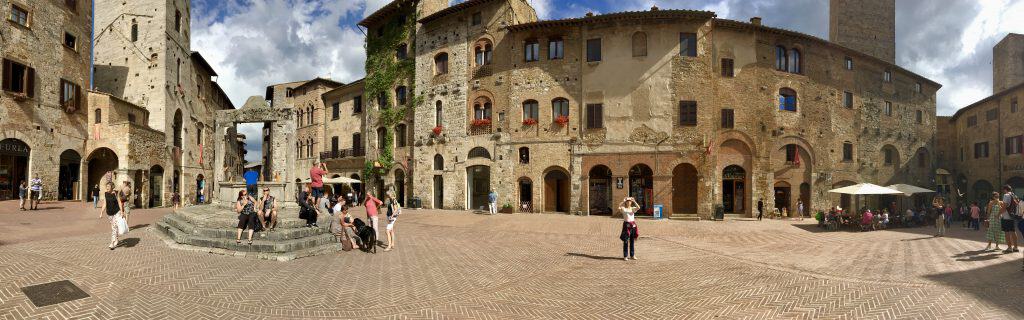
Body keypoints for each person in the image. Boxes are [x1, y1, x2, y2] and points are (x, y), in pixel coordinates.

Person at [98, 182, 124, 250]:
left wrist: (122, 211)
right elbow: (105, 203)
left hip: (116, 212)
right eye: (106, 186)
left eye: (108, 186)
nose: (107, 188)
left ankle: (112, 243)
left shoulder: (115, 193)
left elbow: (119, 202)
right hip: (109, 213)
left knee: (114, 227)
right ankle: (117, 239)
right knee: (114, 227)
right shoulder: (106, 194)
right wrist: (101, 212)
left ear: (112, 187)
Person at [999, 185, 1020, 253]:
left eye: (1003, 190)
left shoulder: (1006, 195)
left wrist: (999, 214)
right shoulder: (1014, 195)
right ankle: (1016, 247)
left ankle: (1009, 248)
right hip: (1012, 215)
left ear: (1005, 189)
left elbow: (1004, 206)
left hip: (1006, 216)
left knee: (1007, 232)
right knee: (1013, 231)